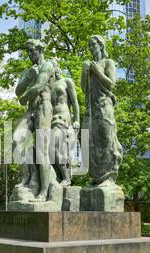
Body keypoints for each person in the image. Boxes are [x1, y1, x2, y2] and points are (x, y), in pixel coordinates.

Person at [13, 39, 57, 202]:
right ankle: (27, 178)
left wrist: (25, 97)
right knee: (17, 139)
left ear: (40, 50)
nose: (30, 54)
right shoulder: (28, 70)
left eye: (32, 51)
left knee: (41, 151)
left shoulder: (48, 66)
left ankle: (44, 192)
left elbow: (38, 87)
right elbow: (18, 91)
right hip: (30, 110)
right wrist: (27, 78)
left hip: (43, 108)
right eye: (28, 52)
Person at [81, 35, 123, 186]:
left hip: (104, 106)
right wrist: (84, 72)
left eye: (93, 45)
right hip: (91, 110)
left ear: (101, 45)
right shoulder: (90, 65)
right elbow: (85, 89)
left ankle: (109, 177)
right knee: (91, 143)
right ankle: (97, 177)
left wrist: (97, 70)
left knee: (107, 140)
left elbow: (111, 84)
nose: (92, 48)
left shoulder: (108, 62)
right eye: (90, 46)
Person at [50, 61, 80, 186]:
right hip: (51, 121)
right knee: (48, 150)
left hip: (63, 119)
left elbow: (74, 102)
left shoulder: (67, 82)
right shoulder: (48, 86)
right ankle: (58, 177)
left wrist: (77, 120)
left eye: (55, 66)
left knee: (55, 147)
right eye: (51, 68)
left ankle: (66, 178)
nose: (54, 69)